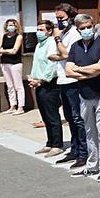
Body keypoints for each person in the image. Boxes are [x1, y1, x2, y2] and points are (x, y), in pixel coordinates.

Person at [65, 14, 100, 180]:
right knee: (89, 132)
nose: (86, 30)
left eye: (88, 27)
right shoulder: (75, 46)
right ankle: (92, 165)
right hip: (85, 96)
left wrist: (79, 70)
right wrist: (88, 72)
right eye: (82, 28)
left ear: (93, 26)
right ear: (78, 30)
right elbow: (68, 70)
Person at [53, 4, 88, 169]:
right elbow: (59, 54)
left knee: (77, 117)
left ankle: (83, 152)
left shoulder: (73, 33)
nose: (59, 21)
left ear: (70, 17)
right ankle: (74, 150)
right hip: (62, 79)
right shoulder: (64, 33)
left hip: (73, 81)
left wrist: (58, 39)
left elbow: (66, 54)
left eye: (62, 18)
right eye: (57, 18)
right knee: (69, 117)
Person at [27, 21, 64, 157]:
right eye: (37, 29)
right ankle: (50, 142)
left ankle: (57, 145)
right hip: (38, 83)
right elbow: (36, 63)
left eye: (42, 29)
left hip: (49, 83)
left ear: (49, 31)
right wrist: (33, 78)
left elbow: (52, 66)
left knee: (52, 115)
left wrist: (41, 80)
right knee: (45, 116)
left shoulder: (52, 43)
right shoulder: (38, 45)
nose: (39, 32)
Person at [0, 19, 26, 115]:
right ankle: (12, 106)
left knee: (18, 85)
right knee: (10, 86)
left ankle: (21, 106)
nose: (10, 27)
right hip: (4, 63)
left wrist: (4, 50)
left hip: (15, 63)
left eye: (12, 25)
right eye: (9, 25)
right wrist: (8, 50)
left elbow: (15, 51)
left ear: (16, 26)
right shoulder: (3, 36)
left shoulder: (19, 37)